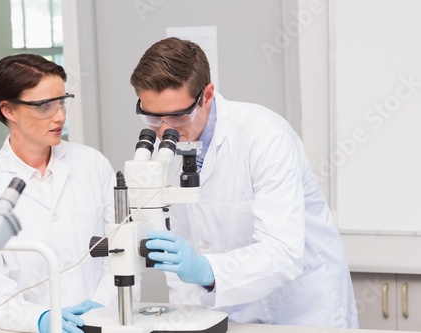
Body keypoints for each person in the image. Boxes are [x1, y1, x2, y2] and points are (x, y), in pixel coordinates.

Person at [131, 37, 359, 328]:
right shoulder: (160, 153)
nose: (164, 131)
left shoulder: (265, 137)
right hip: (220, 310)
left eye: (177, 115)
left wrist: (206, 270)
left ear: (207, 95)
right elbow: (183, 248)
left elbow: (282, 252)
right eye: (151, 116)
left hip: (297, 311)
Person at [0, 54, 119, 333]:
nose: (59, 115)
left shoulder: (93, 164)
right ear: (8, 110)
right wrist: (39, 318)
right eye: (44, 105)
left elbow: (122, 252)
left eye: (62, 101)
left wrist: (101, 306)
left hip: (104, 323)